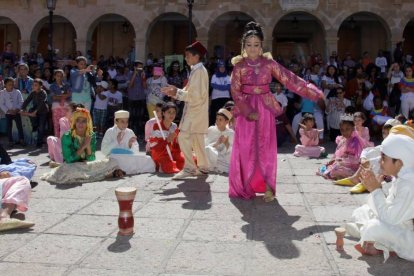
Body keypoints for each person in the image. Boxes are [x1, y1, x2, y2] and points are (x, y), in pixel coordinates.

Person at [225, 22, 323, 201]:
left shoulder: (269, 63)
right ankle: (245, 186)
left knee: (266, 147)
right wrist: (247, 111)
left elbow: (289, 79)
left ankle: (268, 186)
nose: (253, 49)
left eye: (256, 45)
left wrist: (310, 90)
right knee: (245, 147)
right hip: (245, 108)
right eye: (249, 45)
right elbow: (235, 91)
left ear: (261, 46)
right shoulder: (239, 66)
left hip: (265, 107)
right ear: (243, 46)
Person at [345, 130, 414, 261]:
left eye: (384, 159)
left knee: (373, 227)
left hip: (410, 237)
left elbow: (390, 219)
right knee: (362, 211)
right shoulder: (401, 178)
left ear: (399, 163)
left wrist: (376, 190)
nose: (380, 163)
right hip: (398, 223)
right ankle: (371, 237)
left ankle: (376, 240)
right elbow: (389, 207)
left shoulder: (410, 184)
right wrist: (378, 186)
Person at [161, 41, 210, 179]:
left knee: (183, 137)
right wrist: (174, 92)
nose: (186, 58)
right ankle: (203, 167)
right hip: (196, 112)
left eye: (188, 55)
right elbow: (189, 91)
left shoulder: (199, 72)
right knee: (197, 140)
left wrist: (176, 92)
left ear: (196, 56)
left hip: (195, 112)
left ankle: (189, 167)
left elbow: (195, 96)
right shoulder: (196, 70)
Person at [41, 108, 122, 184]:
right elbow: (69, 160)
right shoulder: (67, 136)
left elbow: (91, 158)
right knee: (69, 171)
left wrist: (88, 146)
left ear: (88, 123)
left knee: (112, 161)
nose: (80, 124)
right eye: (78, 121)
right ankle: (106, 174)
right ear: (74, 122)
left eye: (84, 121)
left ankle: (94, 174)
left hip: (86, 165)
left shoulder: (91, 135)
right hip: (71, 166)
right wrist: (83, 146)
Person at [335, 118, 401, 193]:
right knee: (371, 154)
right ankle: (356, 178)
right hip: (383, 171)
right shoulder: (385, 145)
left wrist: (369, 162)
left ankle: (364, 182)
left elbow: (382, 160)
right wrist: (363, 158)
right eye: (384, 133)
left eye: (388, 133)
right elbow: (368, 150)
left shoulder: (399, 147)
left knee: (379, 163)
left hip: (392, 175)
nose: (385, 136)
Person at [101, 110, 155, 175]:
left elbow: (136, 152)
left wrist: (130, 145)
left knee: (148, 159)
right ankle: (119, 170)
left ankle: (121, 170)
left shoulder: (130, 132)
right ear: (116, 121)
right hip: (114, 158)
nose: (125, 124)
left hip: (127, 158)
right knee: (114, 160)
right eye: (122, 122)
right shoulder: (110, 132)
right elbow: (104, 151)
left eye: (126, 122)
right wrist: (116, 141)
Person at [318, 114, 366, 180]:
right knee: (329, 166)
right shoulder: (343, 140)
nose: (344, 132)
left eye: (347, 129)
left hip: (353, 167)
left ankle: (352, 176)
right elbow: (337, 153)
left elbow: (357, 160)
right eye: (342, 130)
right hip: (343, 164)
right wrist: (334, 160)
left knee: (336, 169)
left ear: (353, 128)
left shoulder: (355, 141)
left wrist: (342, 160)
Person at [149, 103, 184, 174]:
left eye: (174, 112)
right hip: (160, 153)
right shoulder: (157, 126)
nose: (171, 115)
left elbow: (175, 145)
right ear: (163, 113)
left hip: (172, 152)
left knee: (187, 160)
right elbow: (154, 146)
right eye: (169, 112)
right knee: (168, 166)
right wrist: (167, 140)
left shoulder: (174, 126)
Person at [20, 79, 49, 148]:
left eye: (35, 85)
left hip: (43, 111)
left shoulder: (43, 93)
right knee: (32, 114)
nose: (33, 86)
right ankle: (35, 125)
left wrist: (35, 112)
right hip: (35, 111)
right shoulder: (32, 93)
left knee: (41, 127)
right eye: (33, 85)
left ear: (40, 86)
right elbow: (27, 101)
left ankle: (39, 143)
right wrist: (22, 108)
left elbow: (42, 103)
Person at [205, 108, 234, 173]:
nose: (217, 121)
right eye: (217, 119)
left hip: (223, 158)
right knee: (207, 149)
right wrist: (217, 143)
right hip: (211, 156)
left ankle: (218, 166)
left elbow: (233, 152)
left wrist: (226, 143)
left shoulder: (231, 133)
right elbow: (205, 146)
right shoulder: (211, 129)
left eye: (220, 120)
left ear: (226, 122)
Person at [0, 77, 25, 147]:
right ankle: (10, 141)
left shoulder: (17, 92)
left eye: (12, 84)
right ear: (5, 85)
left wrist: (17, 109)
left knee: (19, 126)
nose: (11, 86)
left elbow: (21, 101)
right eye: (9, 84)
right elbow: (1, 103)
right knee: (9, 127)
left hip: (16, 112)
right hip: (8, 113)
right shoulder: (2, 93)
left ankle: (22, 139)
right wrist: (8, 110)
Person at [49, 69, 71, 137]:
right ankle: (57, 141)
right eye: (58, 76)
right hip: (56, 107)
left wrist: (59, 96)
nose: (59, 77)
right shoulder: (52, 86)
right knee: (56, 125)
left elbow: (69, 95)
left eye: (61, 76)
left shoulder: (67, 85)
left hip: (65, 106)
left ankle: (66, 141)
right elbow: (53, 97)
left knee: (66, 124)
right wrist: (64, 96)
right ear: (54, 76)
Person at [209, 61, 231, 125]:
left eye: (223, 67)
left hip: (225, 98)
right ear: (218, 68)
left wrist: (218, 86)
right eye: (220, 67)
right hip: (216, 98)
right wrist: (223, 87)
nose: (222, 68)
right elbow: (213, 85)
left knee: (225, 114)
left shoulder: (228, 77)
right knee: (214, 115)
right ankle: (212, 127)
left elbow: (228, 87)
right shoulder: (214, 76)